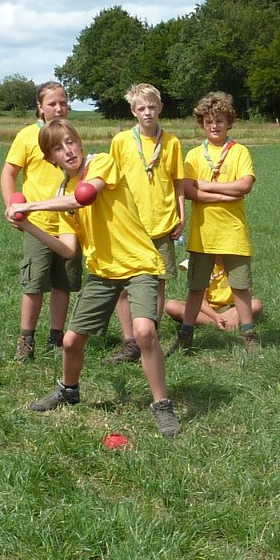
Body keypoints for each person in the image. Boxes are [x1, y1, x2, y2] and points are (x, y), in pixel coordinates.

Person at [9, 119, 181, 438]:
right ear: (51, 159)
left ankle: (162, 406)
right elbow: (66, 248)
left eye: (71, 142)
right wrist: (29, 226)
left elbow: (85, 197)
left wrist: (31, 205)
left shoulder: (99, 162)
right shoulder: (63, 192)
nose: (68, 150)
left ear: (80, 143)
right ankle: (68, 390)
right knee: (72, 341)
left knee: (144, 331)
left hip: (138, 262)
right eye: (58, 148)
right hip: (102, 272)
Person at [104, 83, 186, 362]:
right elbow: (110, 181)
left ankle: (150, 336)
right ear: (133, 111)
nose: (148, 112)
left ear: (160, 108)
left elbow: (178, 183)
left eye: (152, 107)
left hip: (162, 222)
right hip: (129, 225)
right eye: (142, 108)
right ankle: (130, 341)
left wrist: (181, 213)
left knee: (158, 283)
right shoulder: (121, 141)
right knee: (124, 283)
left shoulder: (172, 142)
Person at [0, 81, 81, 361]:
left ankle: (56, 337)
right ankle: (26, 339)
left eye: (63, 102)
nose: (58, 108)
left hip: (70, 222)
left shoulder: (70, 134)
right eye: (52, 104)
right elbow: (9, 173)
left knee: (63, 283)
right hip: (38, 224)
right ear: (39, 107)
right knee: (34, 284)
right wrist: (12, 206)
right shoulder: (26, 136)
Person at [175, 90, 259, 355]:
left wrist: (207, 187)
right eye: (209, 120)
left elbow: (245, 185)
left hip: (233, 233)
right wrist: (225, 193)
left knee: (242, 287)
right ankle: (185, 337)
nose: (214, 125)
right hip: (203, 234)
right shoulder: (193, 156)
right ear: (202, 123)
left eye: (220, 120)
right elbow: (188, 190)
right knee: (195, 287)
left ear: (229, 122)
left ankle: (249, 336)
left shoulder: (240, 152)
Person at [166, 259, 263, 332]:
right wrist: (215, 316)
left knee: (256, 304)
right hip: (207, 310)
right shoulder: (204, 267)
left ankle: (223, 321)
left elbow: (247, 294)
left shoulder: (236, 266)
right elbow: (201, 301)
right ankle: (222, 323)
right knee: (172, 306)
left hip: (232, 308)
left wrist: (236, 313)